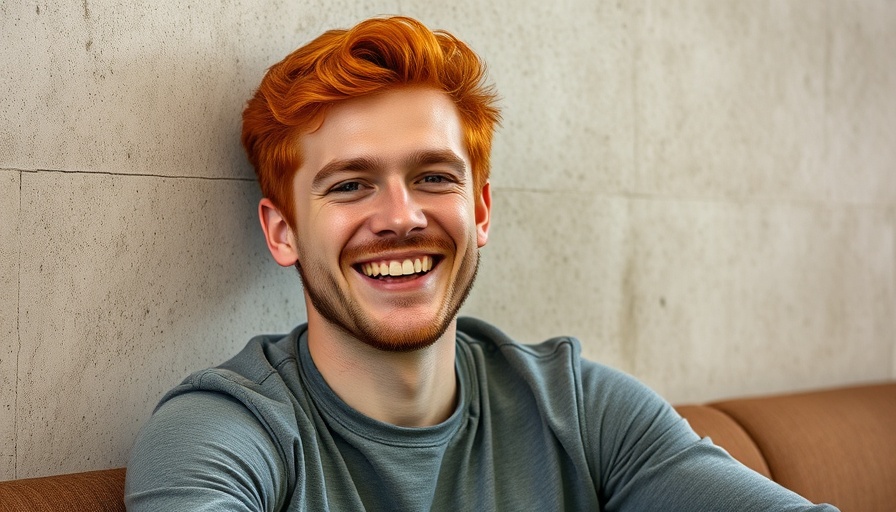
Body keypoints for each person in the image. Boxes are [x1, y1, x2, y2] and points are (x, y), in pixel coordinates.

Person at [125, 16, 838, 511]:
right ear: (283, 233)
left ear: (482, 211)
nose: (402, 216)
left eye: (434, 176)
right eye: (350, 185)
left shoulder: (580, 409)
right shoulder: (222, 435)